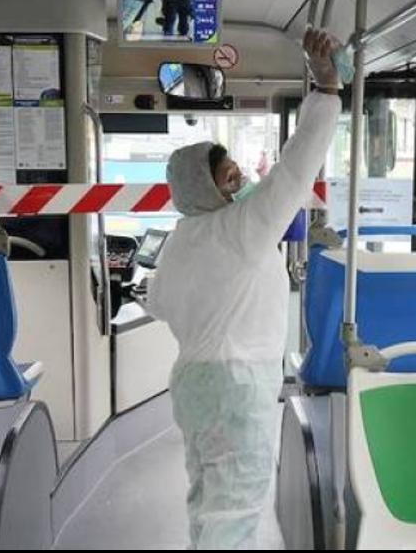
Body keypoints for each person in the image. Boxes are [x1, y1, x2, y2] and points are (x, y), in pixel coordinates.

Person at [146, 28, 341, 549]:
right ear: (205, 187)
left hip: (193, 387)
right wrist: (326, 90)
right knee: (235, 508)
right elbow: (295, 168)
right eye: (228, 177)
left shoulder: (182, 237)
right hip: (235, 386)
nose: (238, 182)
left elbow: (159, 304)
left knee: (207, 496)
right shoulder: (241, 229)